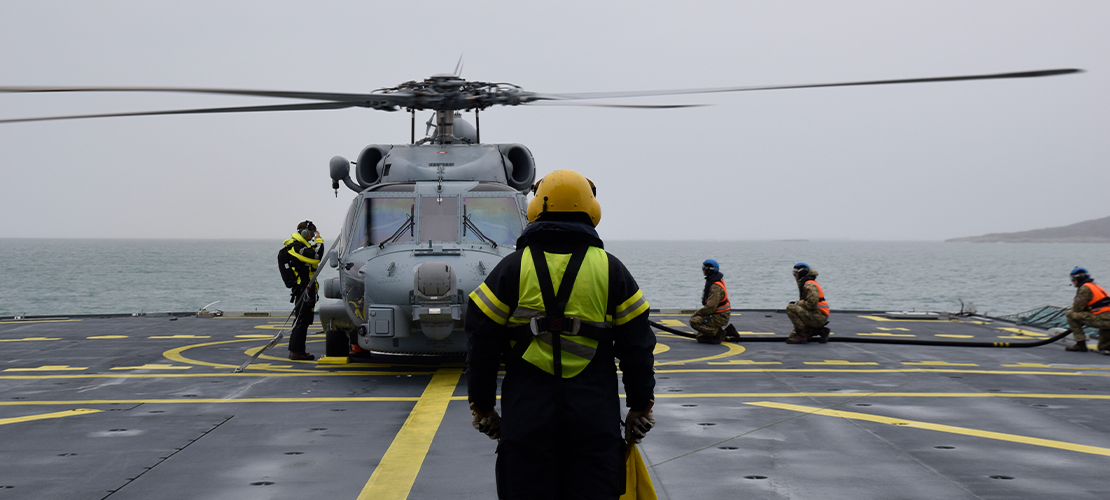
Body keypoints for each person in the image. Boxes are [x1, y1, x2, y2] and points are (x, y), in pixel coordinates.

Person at [465, 169, 657, 500]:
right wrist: (640, 406)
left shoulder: (511, 269)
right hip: (594, 417)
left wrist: (483, 408)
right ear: (592, 210)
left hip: (527, 416)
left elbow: (480, 343)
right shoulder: (612, 270)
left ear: (537, 208)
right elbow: (637, 347)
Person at [281, 220, 324, 361]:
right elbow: (316, 256)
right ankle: (296, 351)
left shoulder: (301, 246)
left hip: (307, 288)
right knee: (301, 319)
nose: (312, 237)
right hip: (303, 289)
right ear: (304, 233)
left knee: (303, 319)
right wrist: (319, 241)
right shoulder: (296, 247)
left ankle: (297, 350)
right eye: (311, 234)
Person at [1064, 267, 1110, 354]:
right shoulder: (1096, 287)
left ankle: (1080, 343)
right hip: (1107, 319)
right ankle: (1106, 347)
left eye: (1073, 278)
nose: (1073, 281)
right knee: (1103, 346)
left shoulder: (1085, 288)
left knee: (1070, 314)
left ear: (1079, 278)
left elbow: (1077, 309)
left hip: (1100, 319)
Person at [786, 262, 830, 344]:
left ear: (802, 273)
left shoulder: (809, 285)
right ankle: (820, 331)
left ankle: (801, 337)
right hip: (815, 315)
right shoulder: (806, 284)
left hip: (818, 316)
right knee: (792, 336)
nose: (795, 276)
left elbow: (811, 304)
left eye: (796, 273)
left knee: (790, 308)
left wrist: (798, 303)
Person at [690, 259, 731, 344]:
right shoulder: (714, 281)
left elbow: (710, 307)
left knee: (694, 321)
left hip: (720, 316)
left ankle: (718, 332)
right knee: (700, 338)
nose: (703, 271)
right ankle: (728, 331)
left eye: (704, 269)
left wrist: (697, 313)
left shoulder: (715, 287)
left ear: (709, 270)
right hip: (718, 314)